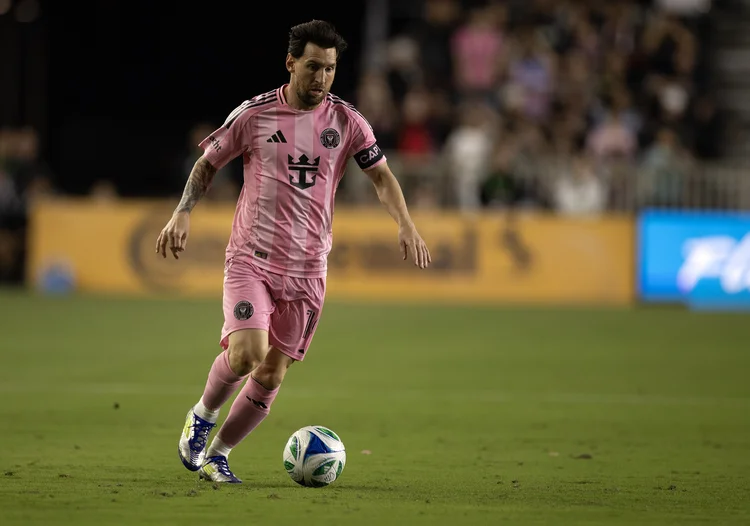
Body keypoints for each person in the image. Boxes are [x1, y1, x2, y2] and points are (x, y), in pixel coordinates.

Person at [155, 20, 431, 484]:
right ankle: (201, 417)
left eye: (330, 69)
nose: (322, 78)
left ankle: (218, 455)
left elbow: (382, 176)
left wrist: (405, 222)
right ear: (291, 63)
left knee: (272, 373)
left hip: (308, 271)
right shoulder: (255, 114)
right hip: (252, 259)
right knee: (248, 353)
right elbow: (207, 163)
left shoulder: (347, 121)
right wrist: (182, 212)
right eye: (313, 67)